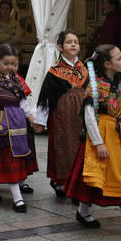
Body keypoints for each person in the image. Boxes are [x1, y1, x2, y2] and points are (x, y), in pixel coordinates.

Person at [65, 43, 121, 237]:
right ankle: (83, 212)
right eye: (119, 58)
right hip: (102, 134)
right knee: (95, 176)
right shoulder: (95, 86)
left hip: (120, 135)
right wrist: (98, 142)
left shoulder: (120, 83)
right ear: (108, 64)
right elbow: (89, 115)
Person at [0, 44, 37, 213]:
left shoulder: (17, 79)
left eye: (13, 63)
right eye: (6, 63)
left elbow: (23, 101)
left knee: (13, 156)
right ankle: (16, 198)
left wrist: (30, 116)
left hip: (18, 123)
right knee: (2, 155)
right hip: (0, 123)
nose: (10, 67)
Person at [34, 30, 88, 198]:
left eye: (76, 42)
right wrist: (40, 120)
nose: (73, 45)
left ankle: (78, 182)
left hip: (81, 113)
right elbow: (45, 97)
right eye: (69, 42)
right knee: (63, 146)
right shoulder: (55, 71)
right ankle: (60, 180)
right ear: (60, 47)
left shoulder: (84, 69)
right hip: (62, 115)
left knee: (81, 146)